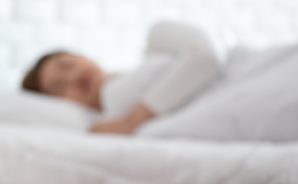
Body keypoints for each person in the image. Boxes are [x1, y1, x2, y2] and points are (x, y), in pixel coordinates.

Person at [22, 21, 226, 134]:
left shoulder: (155, 42)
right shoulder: (107, 120)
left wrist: (132, 120)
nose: (73, 77)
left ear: (81, 55)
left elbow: (207, 56)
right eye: (59, 87)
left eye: (67, 65)